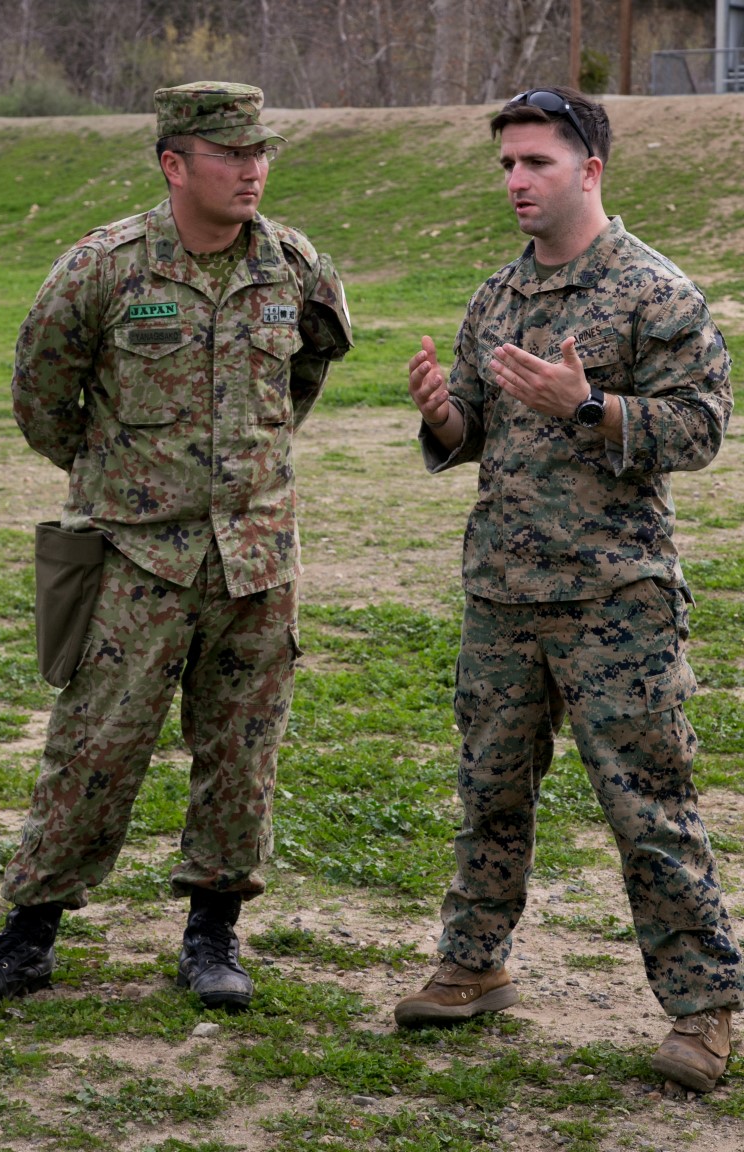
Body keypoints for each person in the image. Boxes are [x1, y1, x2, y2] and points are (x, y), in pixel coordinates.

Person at [394, 86, 742, 1094]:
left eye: (536, 162)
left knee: (647, 805)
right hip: (503, 591)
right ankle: (474, 964)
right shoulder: (496, 298)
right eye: (506, 164)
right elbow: (471, 431)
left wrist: (589, 404)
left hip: (615, 599)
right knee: (490, 792)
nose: (515, 181)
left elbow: (703, 427)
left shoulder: (652, 291)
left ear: (589, 168)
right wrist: (440, 415)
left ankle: (704, 1012)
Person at [0, 81, 351, 1012]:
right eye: (231, 154)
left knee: (242, 753)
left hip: (255, 559)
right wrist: (119, 476)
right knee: (94, 748)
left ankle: (213, 935)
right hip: (136, 559)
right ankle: (29, 935)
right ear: (174, 163)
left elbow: (306, 370)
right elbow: (40, 395)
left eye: (262, 152)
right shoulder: (105, 268)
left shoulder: (294, 265)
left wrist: (246, 466)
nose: (253, 169)